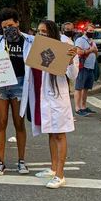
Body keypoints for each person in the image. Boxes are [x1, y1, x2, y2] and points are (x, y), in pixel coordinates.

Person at [0, 8, 33, 176]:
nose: (7, 29)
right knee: (1, 123)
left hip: (19, 83)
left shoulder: (29, 41)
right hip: (1, 85)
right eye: (4, 27)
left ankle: (22, 161)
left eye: (10, 25)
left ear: (17, 23)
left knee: (19, 123)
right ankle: (0, 162)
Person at [27, 20, 79, 189]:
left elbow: (72, 75)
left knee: (59, 134)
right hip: (43, 97)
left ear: (53, 32)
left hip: (57, 97)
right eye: (39, 31)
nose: (41, 34)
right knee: (50, 132)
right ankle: (53, 167)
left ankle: (60, 174)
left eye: (45, 31)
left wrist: (70, 61)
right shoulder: (36, 48)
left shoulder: (64, 47)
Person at [74, 24, 98, 117]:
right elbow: (78, 51)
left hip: (90, 67)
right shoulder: (80, 40)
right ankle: (77, 107)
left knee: (86, 88)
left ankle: (83, 106)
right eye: (90, 30)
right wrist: (90, 50)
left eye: (93, 31)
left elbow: (95, 54)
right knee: (79, 87)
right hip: (82, 67)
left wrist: (95, 52)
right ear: (85, 31)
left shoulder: (92, 41)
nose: (91, 32)